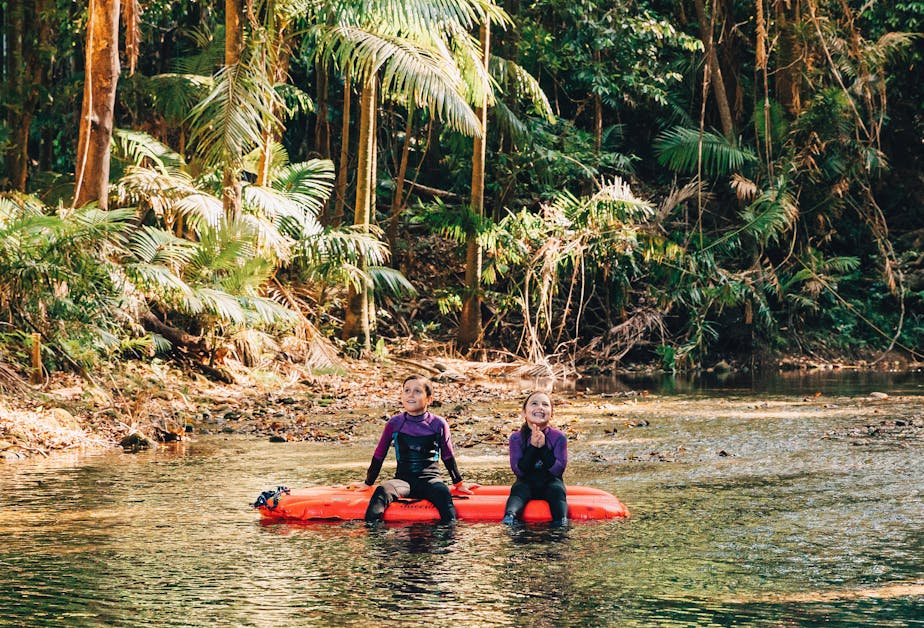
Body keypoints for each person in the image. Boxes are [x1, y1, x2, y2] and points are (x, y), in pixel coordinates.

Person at [356, 374, 472, 524]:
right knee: (382, 491)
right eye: (407, 390)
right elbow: (380, 454)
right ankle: (374, 540)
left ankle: (447, 544)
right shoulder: (394, 423)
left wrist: (459, 483)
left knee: (443, 494)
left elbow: (448, 456)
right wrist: (368, 483)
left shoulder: (438, 424)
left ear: (429, 399)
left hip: (430, 481)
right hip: (403, 481)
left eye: (417, 391)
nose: (411, 395)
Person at [502, 391, 569, 527]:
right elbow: (519, 471)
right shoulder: (516, 438)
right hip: (526, 483)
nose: (540, 407)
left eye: (545, 404)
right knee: (518, 489)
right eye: (534, 403)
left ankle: (562, 523)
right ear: (524, 413)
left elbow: (557, 470)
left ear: (552, 413)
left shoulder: (559, 437)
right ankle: (509, 519)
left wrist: (543, 448)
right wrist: (532, 447)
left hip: (551, 482)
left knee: (557, 490)